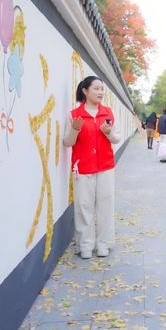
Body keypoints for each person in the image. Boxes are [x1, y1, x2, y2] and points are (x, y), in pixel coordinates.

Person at [62, 76, 120, 259]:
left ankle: (104, 243)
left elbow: (116, 139)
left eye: (102, 89)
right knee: (83, 207)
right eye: (96, 88)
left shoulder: (108, 112)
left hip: (105, 167)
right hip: (83, 167)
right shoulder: (74, 115)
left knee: (105, 205)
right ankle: (85, 245)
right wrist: (75, 129)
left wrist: (109, 133)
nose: (100, 92)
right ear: (85, 91)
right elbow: (67, 142)